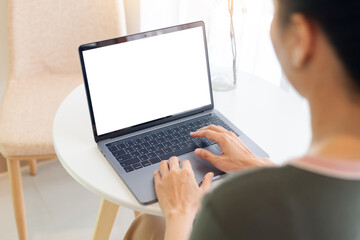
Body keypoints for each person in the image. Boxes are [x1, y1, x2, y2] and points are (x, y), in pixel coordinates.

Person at [124, 0, 360, 239]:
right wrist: (256, 165)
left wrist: (180, 213)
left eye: (273, 12)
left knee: (151, 226)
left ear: (301, 39)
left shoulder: (234, 209)